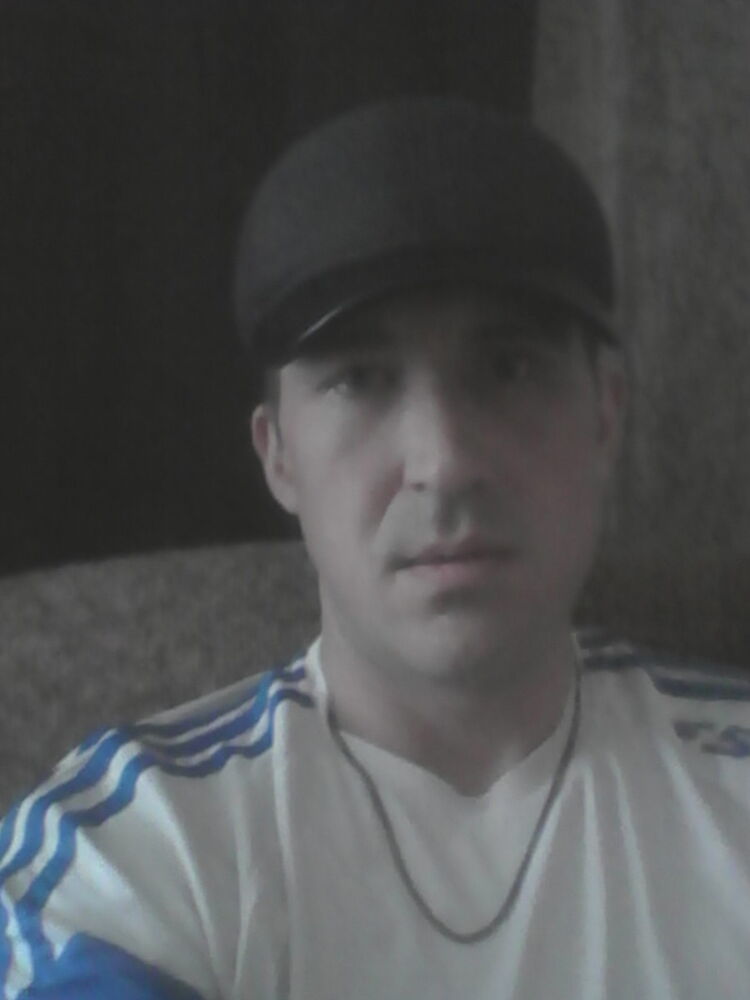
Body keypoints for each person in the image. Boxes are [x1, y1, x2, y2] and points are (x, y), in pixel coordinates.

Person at [2, 96, 750, 999]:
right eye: (360, 379)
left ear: (606, 415)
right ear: (279, 454)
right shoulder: (130, 853)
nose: (444, 462)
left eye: (508, 367)